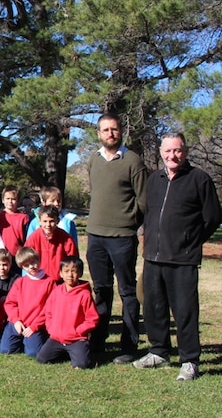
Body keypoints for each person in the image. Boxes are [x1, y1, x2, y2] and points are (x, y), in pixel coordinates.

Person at [132, 132, 222, 381]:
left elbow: (213, 217)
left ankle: (189, 360)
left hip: (183, 258)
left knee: (185, 311)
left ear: (186, 151)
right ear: (161, 152)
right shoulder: (154, 180)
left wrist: (192, 241)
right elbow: (148, 215)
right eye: (168, 151)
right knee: (153, 308)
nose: (173, 155)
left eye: (178, 150)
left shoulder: (199, 179)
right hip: (153, 256)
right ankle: (159, 351)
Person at [86, 113, 147, 364]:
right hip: (95, 236)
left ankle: (129, 345)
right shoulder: (93, 160)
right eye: (105, 130)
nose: (110, 133)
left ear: (121, 132)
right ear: (99, 134)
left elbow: (143, 200)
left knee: (127, 291)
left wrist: (131, 223)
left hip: (122, 236)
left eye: (114, 129)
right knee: (101, 290)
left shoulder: (133, 161)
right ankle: (98, 341)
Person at [36, 257, 99, 369]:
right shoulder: (56, 291)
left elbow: (92, 318)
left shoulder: (84, 294)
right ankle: (65, 352)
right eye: (66, 271)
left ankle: (78, 351)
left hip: (76, 339)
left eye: (74, 271)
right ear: (60, 273)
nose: (70, 275)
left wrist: (79, 331)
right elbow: (48, 312)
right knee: (42, 358)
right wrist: (51, 328)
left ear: (79, 273)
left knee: (82, 364)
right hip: (56, 338)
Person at [0, 247, 56, 358]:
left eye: (33, 262)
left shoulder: (49, 282)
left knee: (33, 353)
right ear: (22, 267)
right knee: (5, 350)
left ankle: (33, 340)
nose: (31, 267)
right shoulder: (20, 282)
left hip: (36, 325)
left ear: (39, 260)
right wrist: (16, 320)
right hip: (18, 322)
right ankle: (22, 340)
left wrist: (35, 326)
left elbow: (50, 309)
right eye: (26, 265)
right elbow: (10, 303)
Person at [24, 205, 78, 280]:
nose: (48, 225)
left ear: (57, 221)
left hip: (59, 282)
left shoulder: (66, 239)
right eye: (45, 221)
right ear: (39, 221)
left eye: (51, 221)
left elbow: (73, 261)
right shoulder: (34, 238)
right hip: (39, 280)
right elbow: (25, 258)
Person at [0, 185, 29, 257]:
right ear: (3, 200)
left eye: (13, 199)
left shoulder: (23, 218)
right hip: (2, 256)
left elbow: (27, 238)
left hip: (19, 255)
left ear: (18, 201)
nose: (10, 201)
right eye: (7, 198)